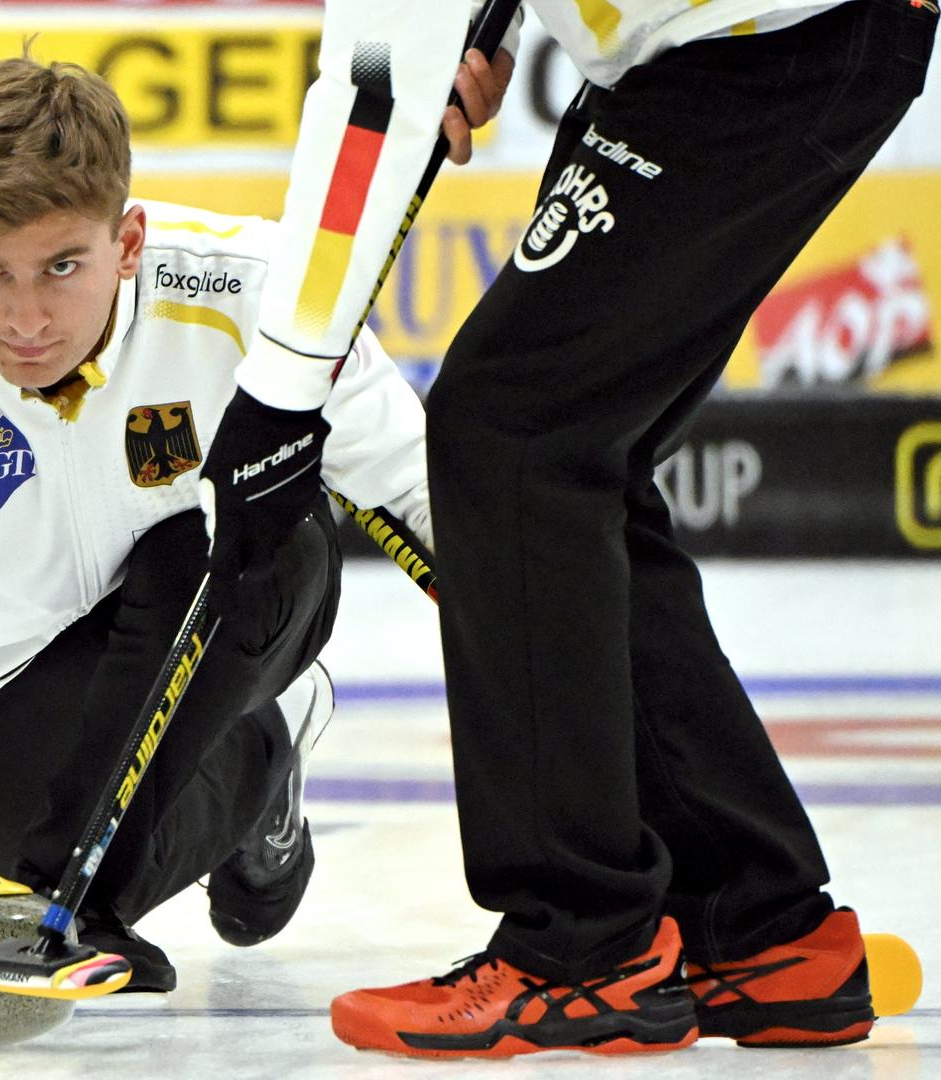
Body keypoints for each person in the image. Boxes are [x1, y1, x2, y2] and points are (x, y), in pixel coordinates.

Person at [197, 0, 935, 1057]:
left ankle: (581, 951)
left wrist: (280, 392)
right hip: (740, 45)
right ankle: (760, 929)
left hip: (763, 47)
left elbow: (372, 90)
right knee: (569, 458)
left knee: (513, 435)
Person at [0, 54, 486, 992]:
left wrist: (570, 694)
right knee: (46, 879)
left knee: (203, 547)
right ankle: (269, 747)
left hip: (231, 580)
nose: (26, 319)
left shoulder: (255, 289)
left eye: (63, 266)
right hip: (15, 661)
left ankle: (139, 843)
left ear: (131, 238)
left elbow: (425, 499)